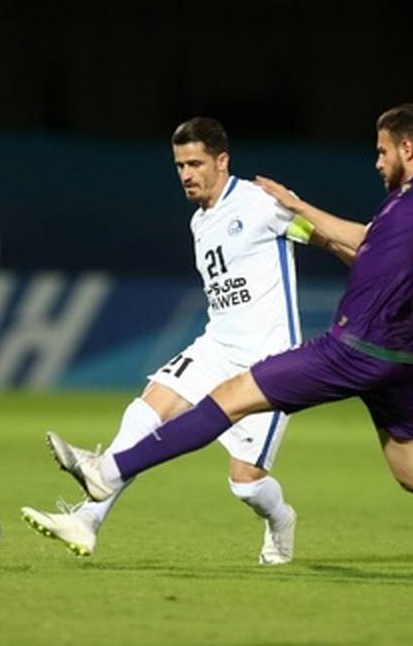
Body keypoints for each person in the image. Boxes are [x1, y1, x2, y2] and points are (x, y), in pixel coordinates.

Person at [46, 103, 413, 575]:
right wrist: (299, 205)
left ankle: (111, 470)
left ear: (408, 149)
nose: (376, 161)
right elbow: (362, 241)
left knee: (227, 397)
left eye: (382, 150)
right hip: (399, 356)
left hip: (354, 348)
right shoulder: (402, 205)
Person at [22, 117, 305, 564]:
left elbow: (331, 239)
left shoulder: (261, 204)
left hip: (266, 362)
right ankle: (88, 521)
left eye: (196, 164)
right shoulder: (200, 221)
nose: (186, 174)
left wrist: (391, 298)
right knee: (144, 412)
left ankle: (281, 518)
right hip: (217, 346)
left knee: (246, 485)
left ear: (222, 161)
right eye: (180, 166)